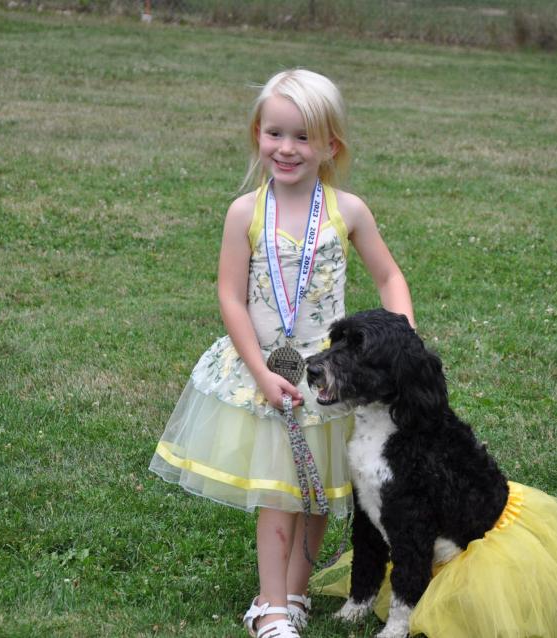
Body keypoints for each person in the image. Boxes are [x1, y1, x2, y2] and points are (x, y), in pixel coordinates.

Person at [149, 69, 414, 638]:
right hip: (266, 376)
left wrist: (402, 337)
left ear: (329, 146)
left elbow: (390, 275)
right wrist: (259, 372)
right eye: (275, 133)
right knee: (278, 494)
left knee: (318, 497)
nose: (287, 148)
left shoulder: (349, 211)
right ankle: (268, 608)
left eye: (302, 137)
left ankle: (296, 592)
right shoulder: (244, 213)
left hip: (328, 379)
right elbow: (230, 295)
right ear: (257, 134)